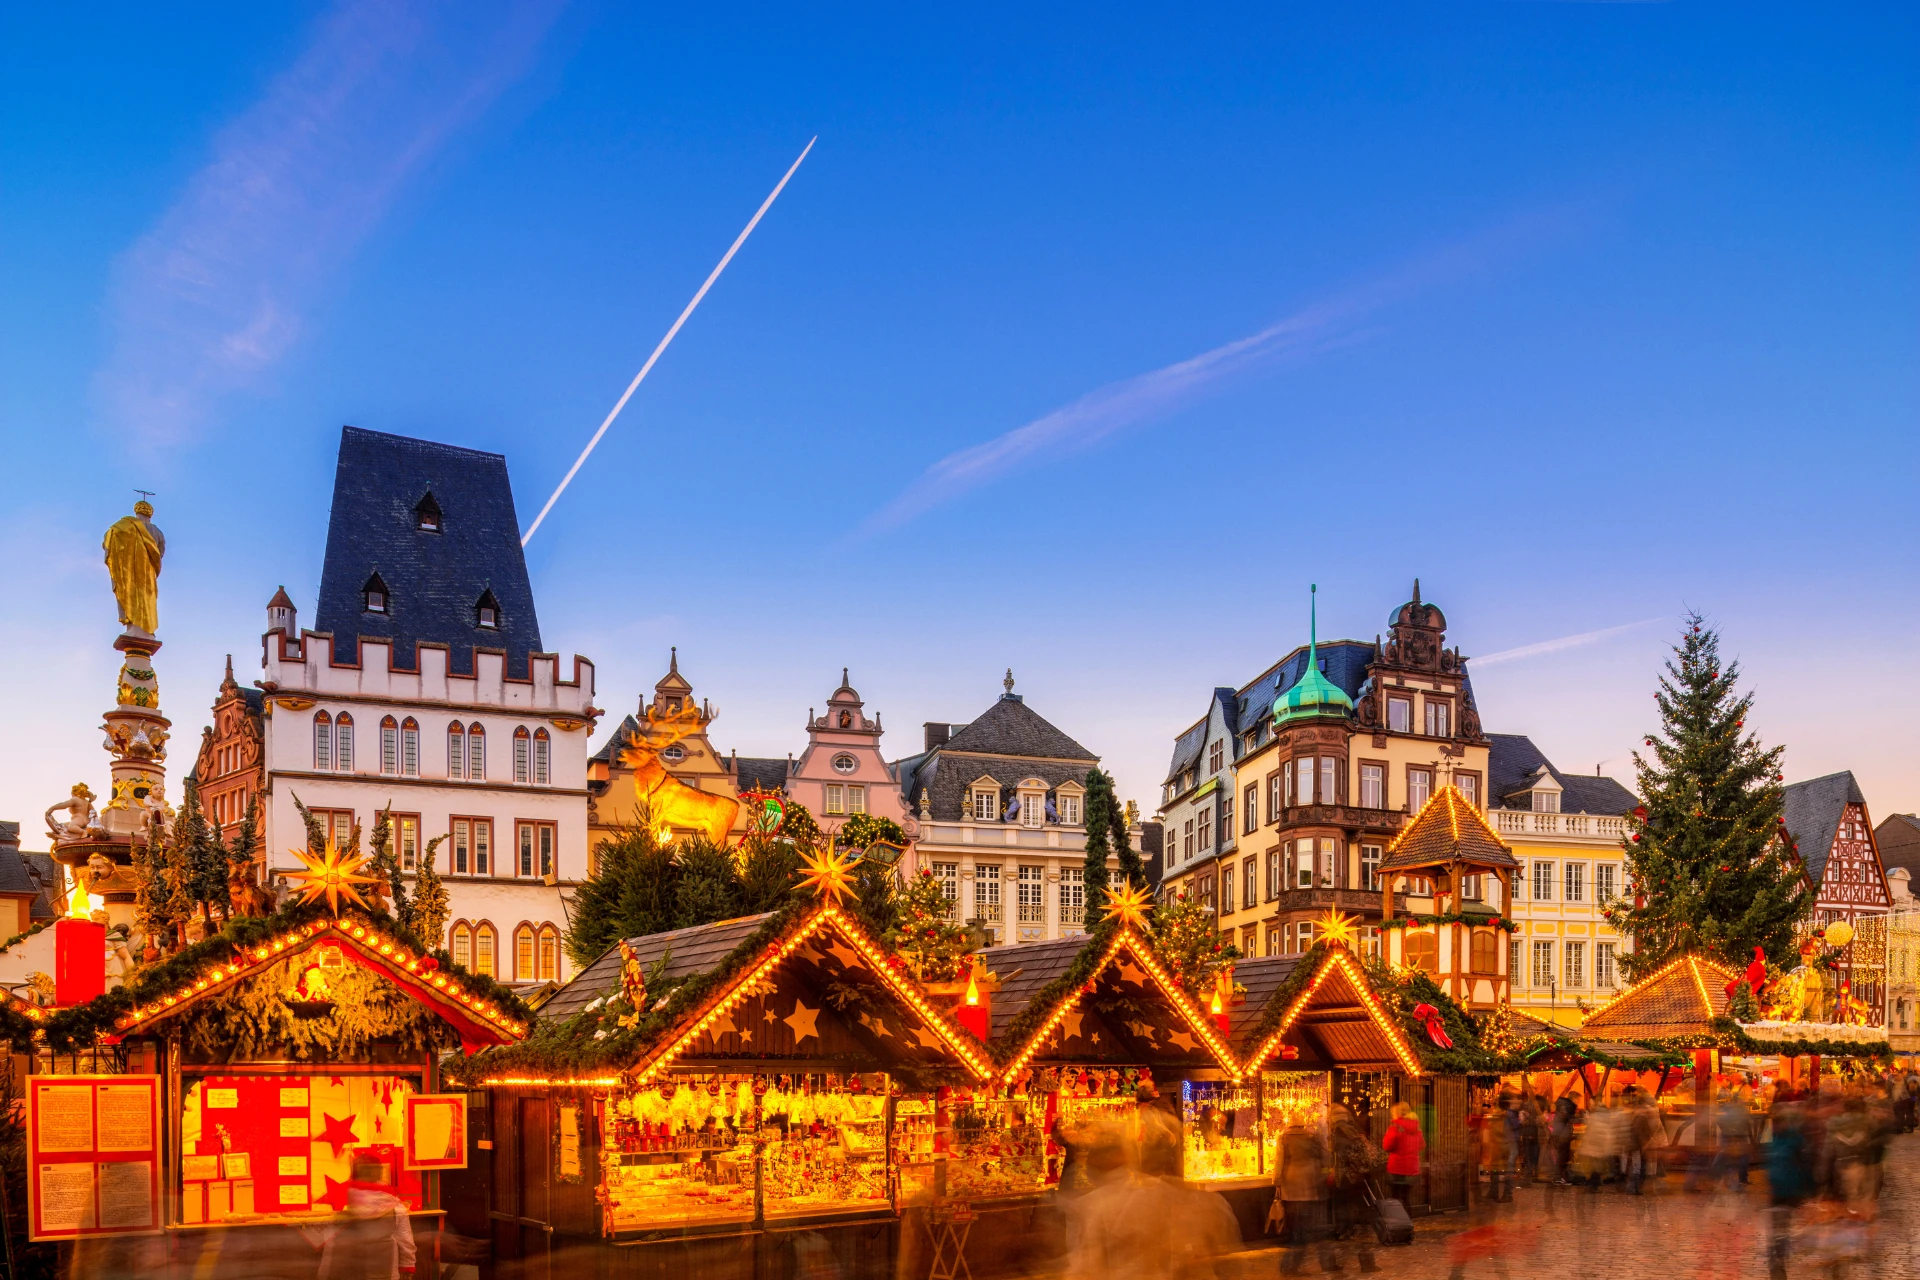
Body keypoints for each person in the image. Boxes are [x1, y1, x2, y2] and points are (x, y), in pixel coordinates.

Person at [317, 1159, 417, 1279]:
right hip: (385, 1267)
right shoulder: (395, 1204)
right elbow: (405, 1239)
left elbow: (331, 1243)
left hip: (348, 1269)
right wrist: (408, 1265)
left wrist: (324, 1274)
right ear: (380, 1173)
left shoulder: (342, 1201)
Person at [1326, 1104, 1382, 1274]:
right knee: (1362, 1224)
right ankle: (1366, 1263)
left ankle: (1336, 1263)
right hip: (1357, 1182)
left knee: (1344, 1224)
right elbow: (1364, 1159)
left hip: (1343, 1183)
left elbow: (1340, 1159)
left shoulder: (1335, 1134)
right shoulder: (1353, 1133)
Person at [1276, 1117, 1336, 1275]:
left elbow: (1279, 1162)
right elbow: (1326, 1158)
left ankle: (1289, 1265)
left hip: (1290, 1187)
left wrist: (1276, 1181)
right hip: (1310, 1186)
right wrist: (1322, 1174)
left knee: (1295, 1227)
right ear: (1303, 1124)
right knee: (1311, 1226)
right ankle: (1324, 1263)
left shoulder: (1283, 1138)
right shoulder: (1313, 1137)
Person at [1764, 1100, 1813, 1280]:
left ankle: (1780, 1260)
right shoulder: (1773, 1140)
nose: (1774, 1126)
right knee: (1778, 1230)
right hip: (1777, 1193)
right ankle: (1777, 1264)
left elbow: (1805, 1164)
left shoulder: (1795, 1140)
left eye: (1777, 1123)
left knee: (1782, 1229)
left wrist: (1809, 1189)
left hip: (1791, 1191)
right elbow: (1771, 1163)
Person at [1382, 1101, 1425, 1208]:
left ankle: (1397, 1222)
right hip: (1412, 1169)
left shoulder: (1395, 1127)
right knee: (1406, 1197)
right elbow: (1422, 1145)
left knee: (1395, 1197)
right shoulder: (1417, 1128)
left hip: (1397, 1168)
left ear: (1397, 1113)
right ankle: (1407, 1220)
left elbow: (1387, 1146)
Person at [1547, 1097, 1577, 1186]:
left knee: (1563, 1157)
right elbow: (1568, 1118)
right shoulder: (1563, 1111)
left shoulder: (1560, 1110)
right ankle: (1557, 1178)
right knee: (1561, 1158)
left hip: (1561, 1135)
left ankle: (1561, 1177)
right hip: (1562, 1135)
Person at [1516, 1096, 1541, 1187]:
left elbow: (1522, 1122)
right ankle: (1531, 1175)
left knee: (1529, 1156)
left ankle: (1528, 1176)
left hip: (1528, 1133)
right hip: (1532, 1133)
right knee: (1532, 1155)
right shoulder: (1535, 1107)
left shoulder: (1525, 1109)